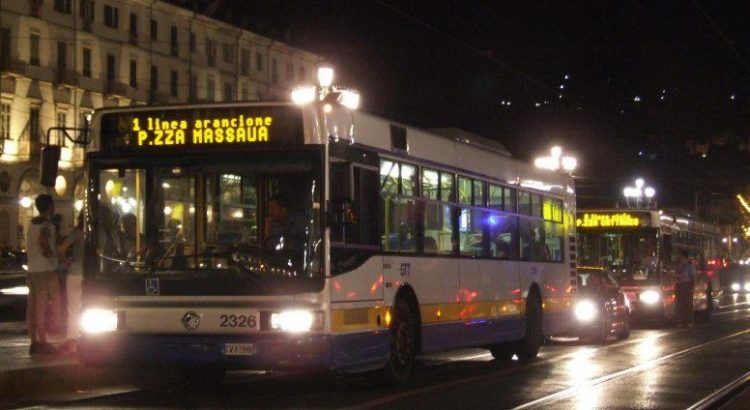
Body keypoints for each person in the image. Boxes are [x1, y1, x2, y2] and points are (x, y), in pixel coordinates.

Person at [25, 194, 61, 355]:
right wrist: (52, 255)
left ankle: (34, 340)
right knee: (44, 304)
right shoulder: (47, 226)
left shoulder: (31, 224)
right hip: (45, 269)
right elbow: (44, 243)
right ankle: (42, 341)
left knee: (32, 305)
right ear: (50, 207)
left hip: (32, 270)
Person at [58, 212, 84, 354]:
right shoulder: (100, 233)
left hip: (74, 272)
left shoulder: (76, 232)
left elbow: (61, 249)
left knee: (73, 309)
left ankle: (72, 342)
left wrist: (67, 262)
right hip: (90, 275)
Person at [674, 249, 696, 327]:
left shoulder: (689, 265)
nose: (678, 257)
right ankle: (680, 321)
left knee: (688, 304)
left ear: (683, 256)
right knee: (679, 304)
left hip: (686, 285)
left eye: (679, 255)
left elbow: (693, 276)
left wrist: (692, 287)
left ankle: (689, 321)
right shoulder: (678, 264)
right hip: (679, 285)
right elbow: (675, 274)